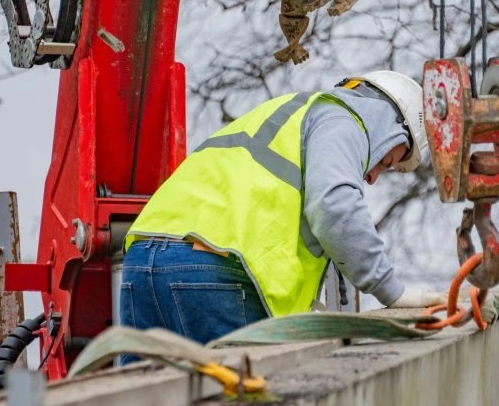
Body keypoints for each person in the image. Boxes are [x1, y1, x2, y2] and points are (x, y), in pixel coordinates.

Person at [119, 71, 446, 345]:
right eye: (388, 160)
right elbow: (335, 206)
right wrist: (390, 290)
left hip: (142, 258)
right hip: (212, 268)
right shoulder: (344, 120)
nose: (373, 176)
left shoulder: (290, 115)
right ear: (393, 124)